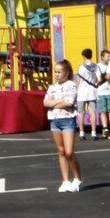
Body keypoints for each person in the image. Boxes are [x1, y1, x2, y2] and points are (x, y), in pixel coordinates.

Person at [43, 60, 83, 192]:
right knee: (61, 151)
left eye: (59, 72)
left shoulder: (71, 85)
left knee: (69, 151)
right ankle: (65, 180)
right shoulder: (52, 87)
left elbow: (69, 102)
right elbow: (45, 103)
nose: (56, 74)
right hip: (55, 120)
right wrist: (59, 101)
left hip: (67, 120)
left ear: (67, 73)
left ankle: (77, 178)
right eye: (55, 71)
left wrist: (54, 102)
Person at [75, 49, 104, 140]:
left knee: (81, 113)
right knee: (92, 113)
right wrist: (95, 84)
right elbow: (99, 80)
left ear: (83, 56)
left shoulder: (81, 67)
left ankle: (82, 133)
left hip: (82, 93)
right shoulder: (96, 67)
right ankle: (94, 133)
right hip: (92, 92)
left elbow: (78, 81)